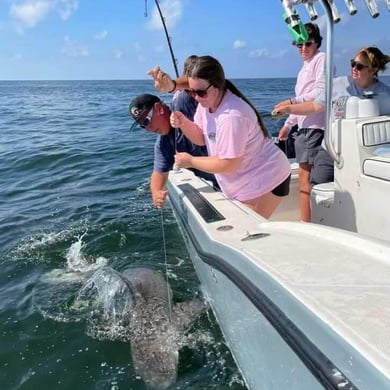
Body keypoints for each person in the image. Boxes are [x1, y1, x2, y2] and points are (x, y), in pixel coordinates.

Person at [149, 55, 291, 218]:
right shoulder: (207, 103)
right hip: (244, 182)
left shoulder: (231, 116)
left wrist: (191, 161)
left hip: (266, 179)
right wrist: (183, 122)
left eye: (200, 92)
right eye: (191, 92)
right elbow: (201, 138)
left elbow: (228, 164)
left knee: (245, 234)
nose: (196, 97)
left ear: (217, 84)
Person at [272, 46, 390, 186]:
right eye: (353, 63)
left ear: (373, 69)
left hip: (361, 153)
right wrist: (288, 109)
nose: (354, 68)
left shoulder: (385, 94)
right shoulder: (337, 84)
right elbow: (315, 106)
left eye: (359, 66)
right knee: (317, 186)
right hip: (331, 149)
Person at [129, 93, 218, 208]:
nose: (148, 129)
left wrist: (173, 85)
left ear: (159, 108)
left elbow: (201, 84)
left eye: (146, 121)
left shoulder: (183, 103)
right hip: (222, 185)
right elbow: (159, 173)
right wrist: (156, 192)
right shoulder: (163, 144)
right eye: (142, 125)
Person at [275, 22, 326, 222]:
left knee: (306, 181)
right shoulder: (303, 69)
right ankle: (308, 222)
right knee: (306, 181)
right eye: (299, 44)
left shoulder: (321, 59)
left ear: (317, 43)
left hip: (315, 129)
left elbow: (319, 93)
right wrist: (288, 125)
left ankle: (307, 224)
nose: (303, 48)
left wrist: (291, 102)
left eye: (308, 43)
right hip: (304, 130)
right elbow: (303, 98)